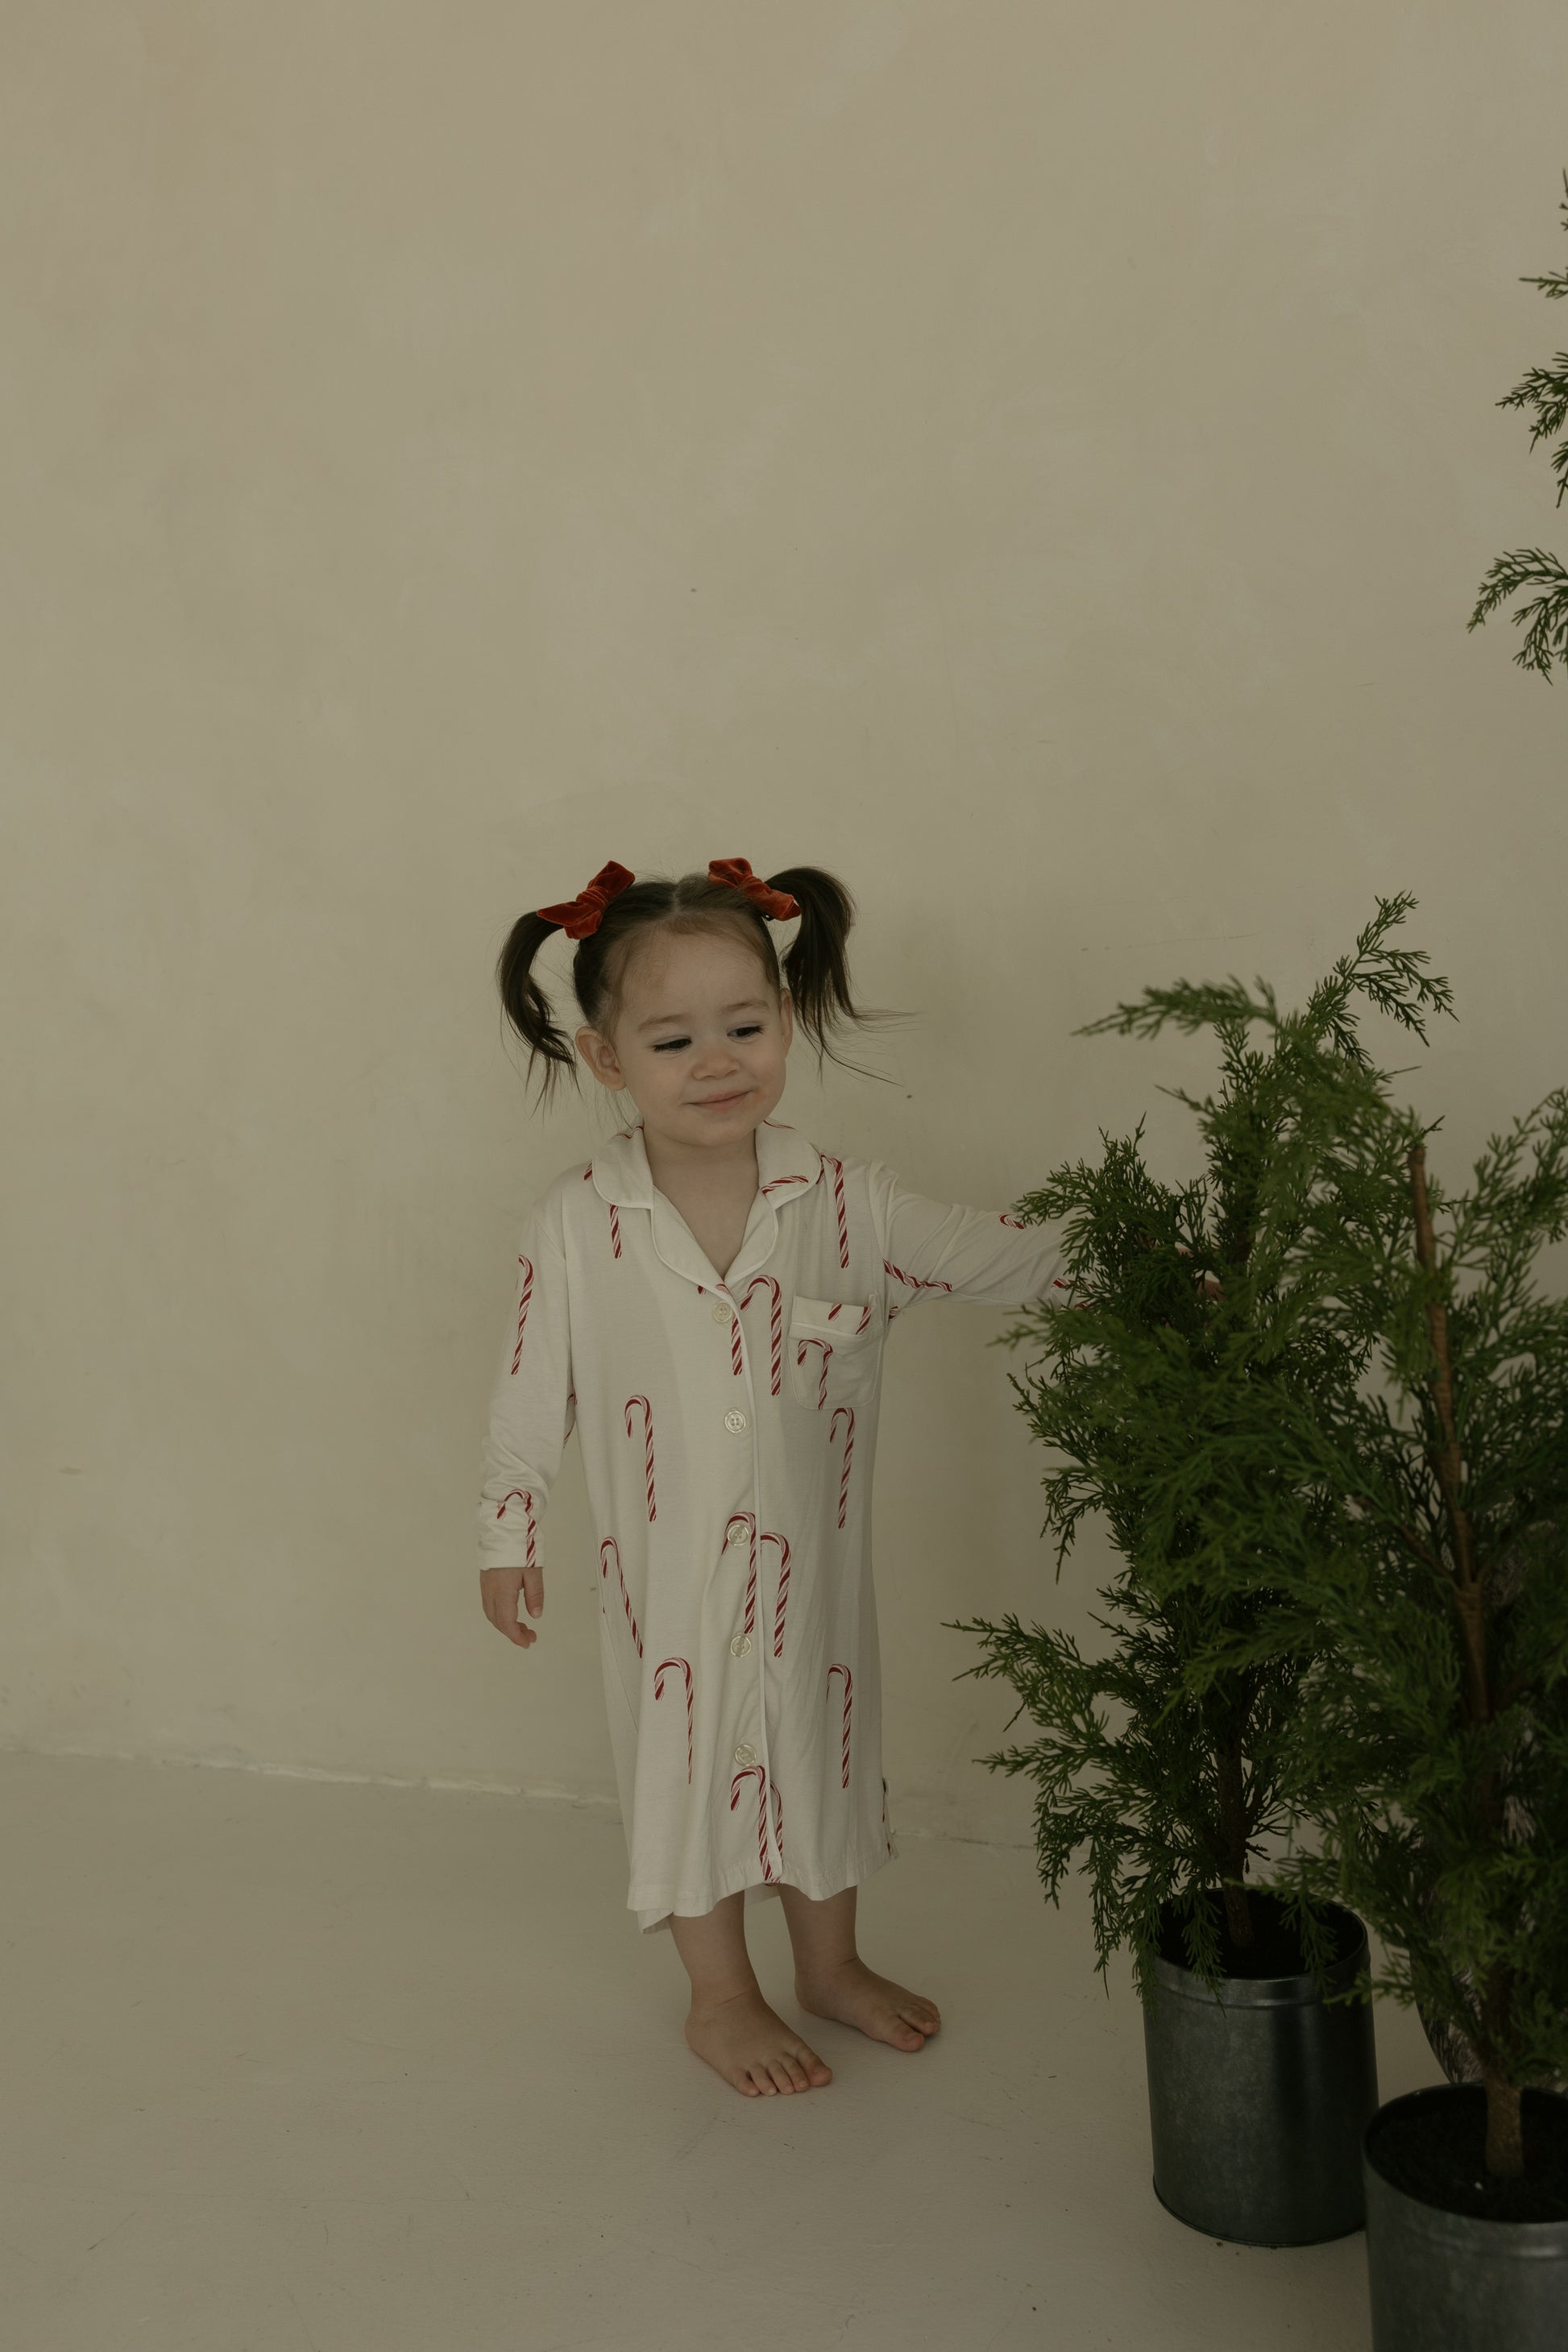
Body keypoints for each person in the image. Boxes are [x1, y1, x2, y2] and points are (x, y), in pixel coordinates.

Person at [476, 856, 1074, 2098]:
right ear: (605, 1059)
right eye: (674, 1037)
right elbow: (532, 1389)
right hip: (668, 1594)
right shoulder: (580, 1223)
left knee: (818, 1754)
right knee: (686, 1771)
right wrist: (507, 1530)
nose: (717, 1062)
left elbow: (990, 1256)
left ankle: (830, 1967)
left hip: (812, 1585)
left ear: (784, 1024)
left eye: (744, 1027)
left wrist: (1143, 1265)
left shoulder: (844, 1206)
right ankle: (721, 1996)